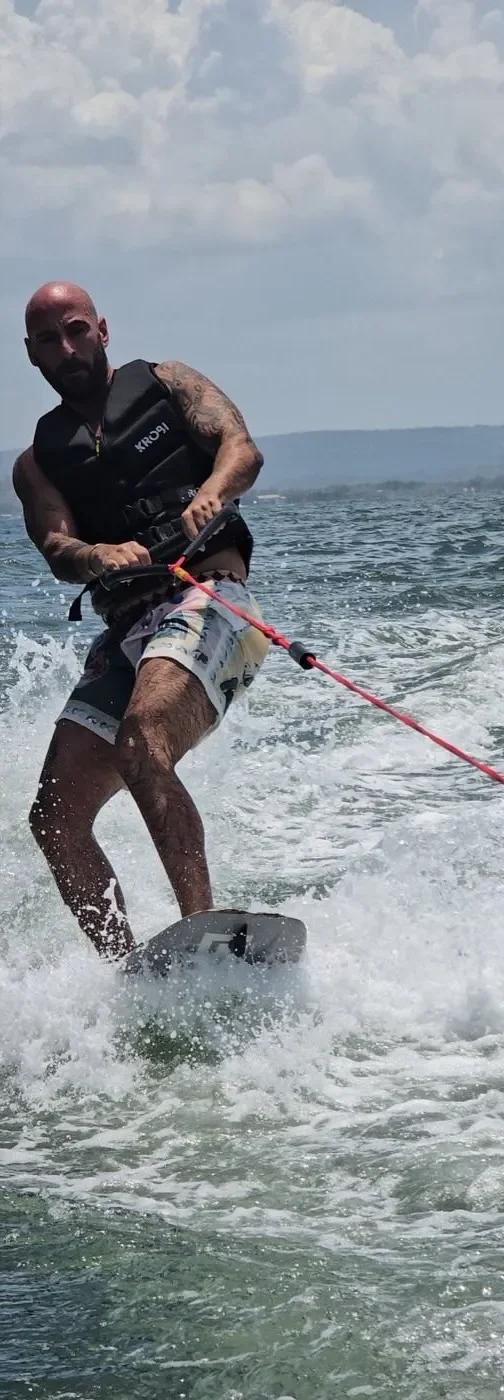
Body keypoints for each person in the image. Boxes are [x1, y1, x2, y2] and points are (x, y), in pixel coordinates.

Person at [13, 281, 269, 959]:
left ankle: (206, 934)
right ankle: (129, 970)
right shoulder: (37, 462)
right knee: (54, 818)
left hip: (209, 598)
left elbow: (241, 449)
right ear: (31, 354)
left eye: (75, 330)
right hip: (128, 628)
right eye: (48, 339)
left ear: (102, 329)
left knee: (142, 737)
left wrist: (212, 495)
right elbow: (58, 547)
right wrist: (96, 553)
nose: (66, 348)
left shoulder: (169, 382)